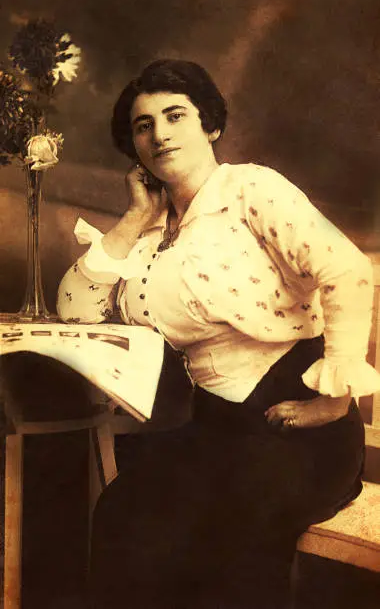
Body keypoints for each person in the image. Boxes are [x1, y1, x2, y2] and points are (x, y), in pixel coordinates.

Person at [57, 59, 380, 609]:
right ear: (133, 146)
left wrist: (331, 402)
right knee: (124, 509)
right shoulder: (151, 230)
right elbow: (75, 311)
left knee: (233, 521)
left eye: (175, 115)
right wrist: (134, 218)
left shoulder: (250, 188)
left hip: (303, 433)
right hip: (218, 431)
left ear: (210, 126)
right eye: (143, 125)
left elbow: (348, 270)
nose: (159, 133)